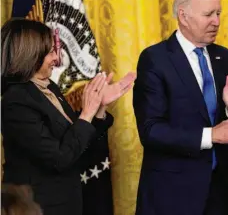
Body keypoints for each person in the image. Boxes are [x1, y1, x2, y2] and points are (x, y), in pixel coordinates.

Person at [133, 0, 228, 215]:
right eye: (208, 14)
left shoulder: (226, 58)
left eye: (219, 13)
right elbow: (150, 131)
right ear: (183, 15)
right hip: (174, 194)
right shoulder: (155, 59)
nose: (217, 22)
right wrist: (212, 135)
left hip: (223, 193)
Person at [1, 18, 136, 215]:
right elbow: (59, 158)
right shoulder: (15, 102)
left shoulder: (48, 88)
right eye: (50, 52)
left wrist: (98, 109)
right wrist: (87, 111)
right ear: (30, 55)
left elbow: (75, 143)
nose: (57, 59)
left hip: (67, 202)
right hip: (37, 208)